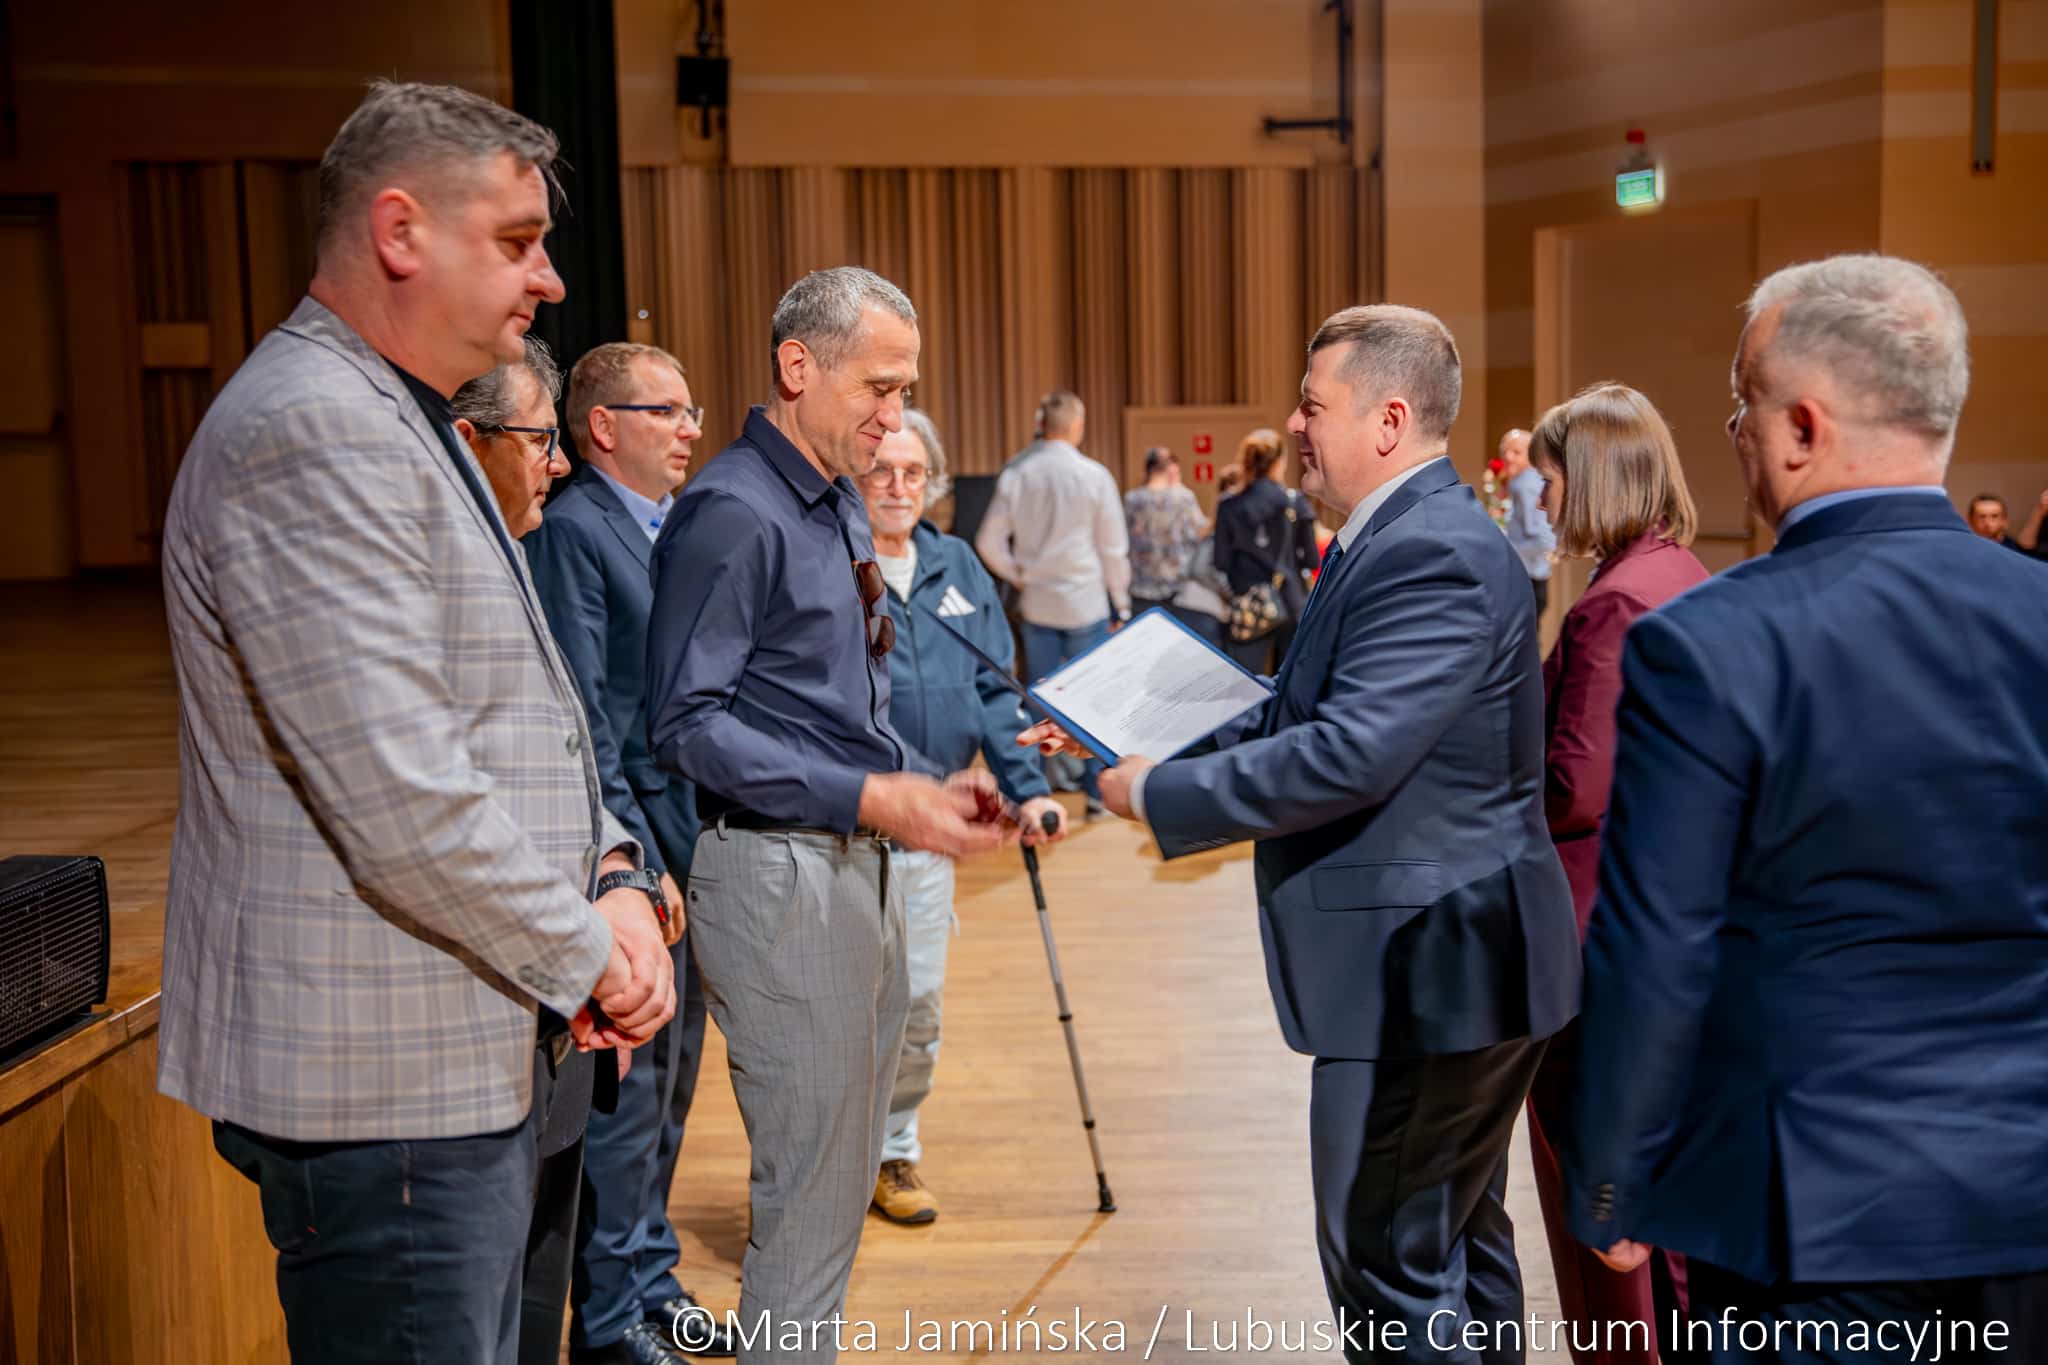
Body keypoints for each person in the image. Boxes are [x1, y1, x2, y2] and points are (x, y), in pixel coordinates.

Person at [155, 81, 676, 1365]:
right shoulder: (315, 428)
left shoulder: (403, 413)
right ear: (400, 232)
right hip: (384, 1089)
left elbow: (523, 714)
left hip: (463, 1054)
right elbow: (402, 795)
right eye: (515, 241)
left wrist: (609, 868)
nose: (548, 278)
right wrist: (595, 953)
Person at [1031, 304, 1579, 1361]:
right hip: (1440, 961)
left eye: (1310, 404)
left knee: (1386, 1264)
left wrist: (1153, 794)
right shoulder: (1398, 536)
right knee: (1452, 1243)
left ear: (1387, 418)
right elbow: (1298, 705)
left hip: (1428, 971)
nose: (1290, 424)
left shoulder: (1434, 552)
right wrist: (1118, 717)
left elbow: (1347, 754)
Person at [1566, 255, 2048, 1364]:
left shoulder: (1708, 641)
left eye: (1738, 405)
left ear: (1796, 428)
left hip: (1813, 1212)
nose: (1733, 433)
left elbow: (1656, 947)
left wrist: (1613, 1172)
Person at [646, 266, 1016, 1365]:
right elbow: (685, 724)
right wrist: (869, 793)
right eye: (878, 387)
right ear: (797, 368)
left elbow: (832, 711)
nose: (893, 415)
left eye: (905, 392)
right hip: (775, 876)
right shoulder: (731, 511)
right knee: (807, 1204)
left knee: (841, 1179)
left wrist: (923, 783)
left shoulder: (837, 499)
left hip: (858, 867)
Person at [523, 341, 735, 1365]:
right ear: (603, 426)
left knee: (672, 1084)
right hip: (631, 860)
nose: (690, 429)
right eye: (669, 411)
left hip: (689, 846)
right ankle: (607, 1321)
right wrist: (633, 864)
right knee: (626, 1100)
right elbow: (582, 723)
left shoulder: (661, 528)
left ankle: (649, 1280)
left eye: (692, 412)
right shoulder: (574, 532)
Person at [1516, 384, 1708, 1365]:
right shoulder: (1675, 571)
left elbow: (1573, 789)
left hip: (1587, 941)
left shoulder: (1615, 602)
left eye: (1544, 476)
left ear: (1587, 474)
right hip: (1656, 931)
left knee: (1602, 1225)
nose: (1536, 497)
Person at [857, 407, 1068, 1226]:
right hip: (838, 826)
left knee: (917, 1006)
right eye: (881, 471)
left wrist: (1030, 787)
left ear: (933, 480)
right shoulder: (831, 564)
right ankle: (831, 1160)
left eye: (913, 473)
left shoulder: (957, 569)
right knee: (843, 1009)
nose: (898, 487)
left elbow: (994, 692)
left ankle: (894, 1152)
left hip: (929, 834)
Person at [974, 389, 1132, 818]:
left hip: (1039, 602)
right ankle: (1097, 796)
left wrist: (1021, 573)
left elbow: (988, 543)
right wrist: (1121, 604)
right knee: (1092, 699)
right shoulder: (1095, 476)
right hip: (1086, 601)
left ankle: (1036, 790)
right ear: (1078, 426)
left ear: (1042, 424)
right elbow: (1112, 548)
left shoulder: (1016, 473)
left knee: (1039, 701)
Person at [1212, 426, 1317, 675]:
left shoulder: (1229, 505)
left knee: (1245, 682)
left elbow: (1221, 561)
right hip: (1291, 601)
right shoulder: (1294, 501)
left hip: (1250, 603)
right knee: (1290, 681)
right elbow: (1311, 558)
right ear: (1279, 462)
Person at [1124, 445, 1207, 620]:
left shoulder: (1132, 499)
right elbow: (1198, 534)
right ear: (1169, 468)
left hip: (1141, 588)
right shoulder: (1183, 497)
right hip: (1177, 588)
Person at [1499, 427, 1558, 611]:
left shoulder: (1527, 486)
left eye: (1516, 452)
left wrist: (1505, 552)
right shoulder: (1519, 483)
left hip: (1529, 579)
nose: (1508, 457)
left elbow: (1544, 538)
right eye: (1505, 451)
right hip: (1529, 576)